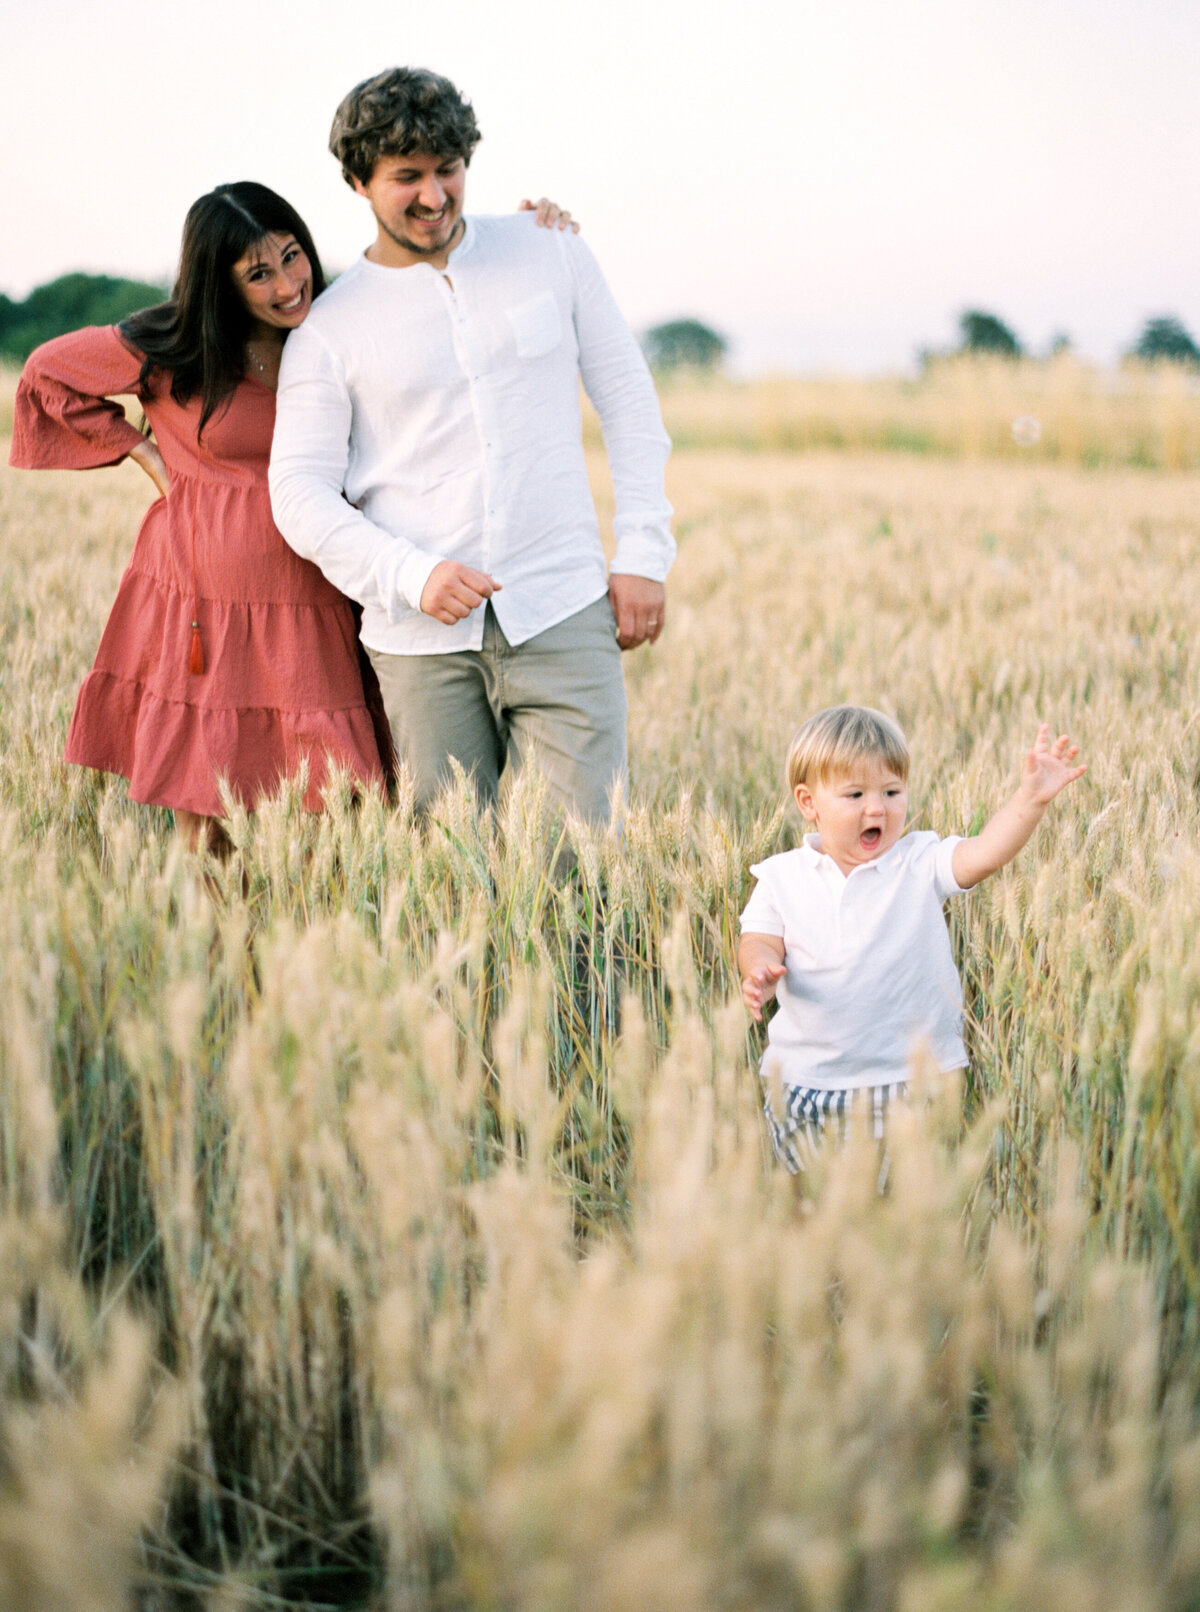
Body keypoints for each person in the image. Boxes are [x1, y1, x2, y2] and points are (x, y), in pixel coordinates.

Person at [10, 181, 576, 850]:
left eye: (291, 256)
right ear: (220, 285)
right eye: (258, 274)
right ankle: (216, 950)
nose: (286, 284)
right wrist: (143, 453)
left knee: (336, 802)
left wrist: (506, 240)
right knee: (206, 793)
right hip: (204, 598)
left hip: (315, 592)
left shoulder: (340, 325)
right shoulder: (173, 346)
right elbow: (47, 375)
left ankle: (305, 945)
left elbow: (437, 299)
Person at [269, 67, 674, 829]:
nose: (434, 196)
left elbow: (629, 402)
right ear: (358, 181)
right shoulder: (329, 327)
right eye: (407, 177)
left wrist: (645, 554)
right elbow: (298, 491)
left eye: (448, 170)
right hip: (419, 642)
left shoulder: (549, 249)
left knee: (577, 864)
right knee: (453, 875)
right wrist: (409, 575)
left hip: (563, 605)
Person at [738, 706, 1086, 1173]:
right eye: (855, 793)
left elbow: (983, 854)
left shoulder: (919, 860)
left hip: (913, 1078)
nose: (877, 807)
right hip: (809, 1079)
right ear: (808, 802)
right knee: (810, 1207)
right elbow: (759, 938)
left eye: (892, 791)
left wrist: (1030, 802)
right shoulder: (782, 876)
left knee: (903, 1211)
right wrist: (758, 968)